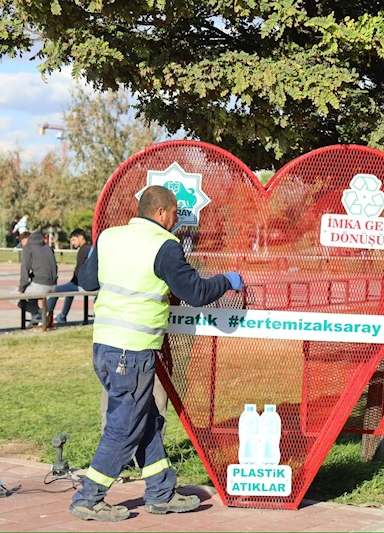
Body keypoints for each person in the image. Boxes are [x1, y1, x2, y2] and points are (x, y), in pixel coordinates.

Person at [71, 185, 243, 522]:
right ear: (161, 212)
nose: (177, 220)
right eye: (175, 213)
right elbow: (196, 293)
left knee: (146, 421)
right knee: (124, 428)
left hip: (104, 346)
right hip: (132, 352)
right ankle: (88, 498)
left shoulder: (108, 237)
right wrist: (227, 280)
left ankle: (161, 492)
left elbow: (87, 282)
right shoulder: (164, 245)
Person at [47, 229, 90, 324]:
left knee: (55, 290)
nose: (73, 243)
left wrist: (73, 282)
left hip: (82, 285)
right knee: (69, 292)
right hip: (87, 283)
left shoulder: (83, 250)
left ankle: (45, 315)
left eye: (74, 240)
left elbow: (79, 270)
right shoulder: (89, 248)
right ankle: (62, 316)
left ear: (81, 237)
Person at [16, 231, 58, 326]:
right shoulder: (47, 247)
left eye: (23, 244)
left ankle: (39, 313)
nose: (23, 246)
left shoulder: (28, 248)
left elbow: (25, 269)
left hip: (41, 286)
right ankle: (36, 317)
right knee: (32, 294)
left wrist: (21, 289)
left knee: (14, 297)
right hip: (54, 286)